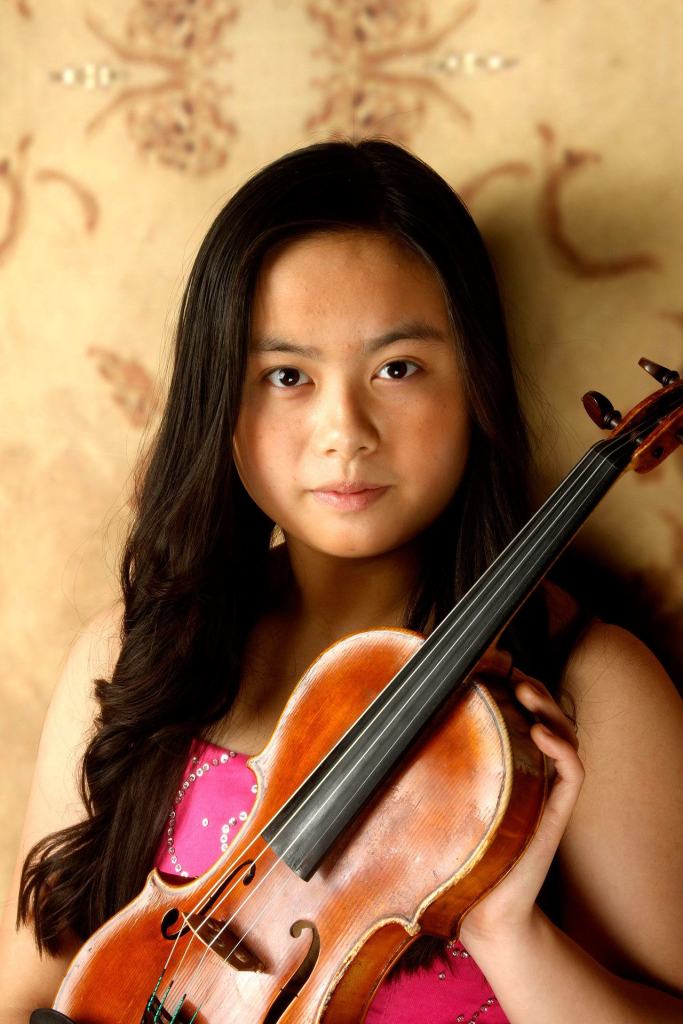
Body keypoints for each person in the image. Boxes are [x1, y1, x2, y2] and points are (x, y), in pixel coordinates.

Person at [1, 138, 682, 1024]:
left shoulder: (591, 688)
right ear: (221, 405)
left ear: (473, 383)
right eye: (286, 376)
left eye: (396, 369)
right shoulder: (137, 653)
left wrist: (510, 932)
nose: (343, 429)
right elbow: (27, 997)